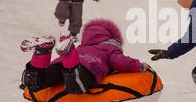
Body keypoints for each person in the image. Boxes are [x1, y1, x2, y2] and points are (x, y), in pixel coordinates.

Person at [20, 19, 150, 94]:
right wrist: (139, 65)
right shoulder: (110, 46)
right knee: (75, 85)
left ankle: (42, 51)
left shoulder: (83, 46)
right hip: (87, 67)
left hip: (60, 63)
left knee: (36, 83)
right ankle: (69, 52)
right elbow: (118, 61)